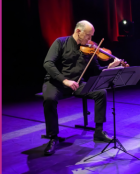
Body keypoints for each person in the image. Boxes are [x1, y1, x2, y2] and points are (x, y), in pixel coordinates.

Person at [42, 20, 123, 155]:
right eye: (88, 35)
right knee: (50, 99)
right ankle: (52, 137)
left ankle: (99, 132)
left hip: (77, 84)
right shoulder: (60, 42)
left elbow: (97, 70)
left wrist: (109, 68)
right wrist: (64, 80)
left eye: (91, 36)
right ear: (78, 32)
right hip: (56, 82)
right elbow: (48, 63)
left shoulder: (88, 50)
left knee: (101, 92)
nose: (90, 40)